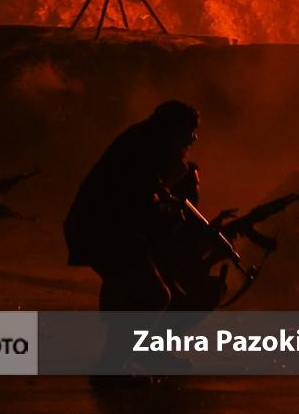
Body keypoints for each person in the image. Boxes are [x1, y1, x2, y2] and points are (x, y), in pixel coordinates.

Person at [63, 99, 201, 311]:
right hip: (102, 229)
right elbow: (140, 199)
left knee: (131, 292)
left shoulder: (145, 140)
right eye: (189, 131)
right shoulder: (150, 147)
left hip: (103, 228)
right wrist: (169, 214)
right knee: (155, 295)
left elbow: (147, 195)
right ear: (174, 129)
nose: (193, 138)